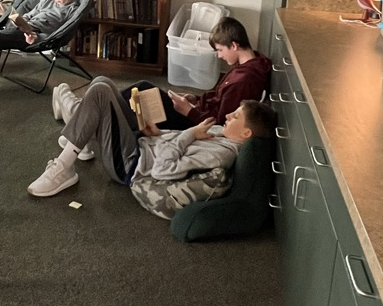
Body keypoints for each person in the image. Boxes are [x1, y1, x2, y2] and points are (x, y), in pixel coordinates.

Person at [28, 75, 277, 216]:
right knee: (103, 81)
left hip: (130, 164)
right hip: (143, 144)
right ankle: (77, 142)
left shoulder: (220, 155)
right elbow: (178, 142)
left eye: (236, 116)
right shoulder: (219, 134)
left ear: (246, 133)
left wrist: (188, 133)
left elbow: (163, 171)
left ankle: (64, 167)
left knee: (101, 93)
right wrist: (158, 134)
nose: (229, 116)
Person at [123, 16, 271, 130]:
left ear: (233, 45)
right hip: (198, 111)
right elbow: (220, 98)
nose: (219, 56)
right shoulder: (252, 63)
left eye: (220, 50)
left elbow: (220, 124)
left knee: (144, 91)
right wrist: (195, 99)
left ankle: (113, 110)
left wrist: (188, 111)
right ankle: (114, 108)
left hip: (195, 123)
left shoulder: (243, 81)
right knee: (145, 92)